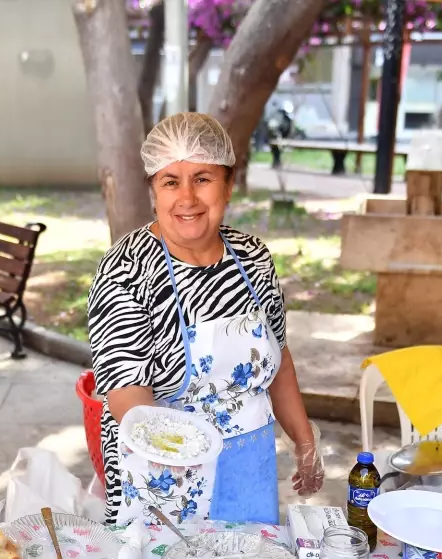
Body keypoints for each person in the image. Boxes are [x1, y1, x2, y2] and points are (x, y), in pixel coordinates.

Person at [87, 112, 324, 526]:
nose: (187, 198)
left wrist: (305, 443)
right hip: (164, 475)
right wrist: (186, 460)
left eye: (202, 178)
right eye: (170, 181)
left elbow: (278, 359)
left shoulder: (252, 258)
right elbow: (127, 397)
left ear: (229, 185)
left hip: (250, 464)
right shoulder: (126, 269)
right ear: (153, 191)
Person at [266, 102, 294, 169]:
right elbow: (272, 126)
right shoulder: (277, 115)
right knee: (275, 150)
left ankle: (277, 162)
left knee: (278, 150)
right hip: (275, 137)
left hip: (282, 137)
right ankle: (276, 162)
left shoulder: (288, 119)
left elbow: (288, 130)